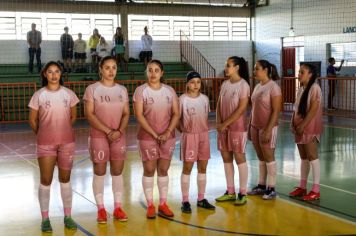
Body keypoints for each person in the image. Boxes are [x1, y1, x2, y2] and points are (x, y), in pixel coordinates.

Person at [28, 61, 79, 233]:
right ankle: (45, 219)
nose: (54, 75)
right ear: (44, 74)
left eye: (57, 71)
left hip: (66, 142)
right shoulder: (39, 95)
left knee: (65, 179)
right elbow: (33, 120)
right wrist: (43, 134)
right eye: (50, 72)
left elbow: (73, 117)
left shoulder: (69, 94)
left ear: (61, 74)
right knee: (46, 180)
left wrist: (63, 131)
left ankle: (68, 216)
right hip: (45, 144)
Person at [84, 56, 130, 223]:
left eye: (114, 67)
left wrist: (119, 131)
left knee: (117, 172)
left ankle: (118, 207)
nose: (111, 71)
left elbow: (126, 113)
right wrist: (108, 131)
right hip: (99, 136)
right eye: (107, 67)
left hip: (118, 136)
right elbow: (89, 114)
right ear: (101, 69)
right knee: (100, 172)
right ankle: (101, 209)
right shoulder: (92, 89)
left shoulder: (122, 90)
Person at [133, 60, 180, 219]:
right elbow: (139, 115)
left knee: (163, 170)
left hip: (168, 137)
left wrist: (167, 132)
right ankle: (150, 205)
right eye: (150, 70)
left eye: (156, 70)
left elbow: (176, 114)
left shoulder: (170, 91)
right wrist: (154, 134)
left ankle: (163, 204)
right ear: (147, 72)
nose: (153, 73)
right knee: (149, 170)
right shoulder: (141, 91)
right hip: (147, 137)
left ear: (162, 73)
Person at [215, 57, 250, 205]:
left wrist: (225, 123)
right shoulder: (224, 84)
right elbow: (218, 104)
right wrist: (218, 122)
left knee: (239, 158)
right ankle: (230, 192)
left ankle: (243, 193)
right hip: (223, 128)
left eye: (228, 65)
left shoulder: (243, 85)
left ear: (236, 68)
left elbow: (241, 109)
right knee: (226, 158)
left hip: (237, 128)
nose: (225, 68)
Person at [178, 71, 215, 213]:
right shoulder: (182, 99)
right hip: (189, 136)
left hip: (203, 135)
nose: (196, 85)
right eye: (192, 82)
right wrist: (183, 131)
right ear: (187, 83)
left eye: (198, 82)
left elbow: (205, 116)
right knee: (187, 168)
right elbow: (176, 119)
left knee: (203, 167)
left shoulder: (205, 99)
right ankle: (185, 200)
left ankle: (201, 199)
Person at [247, 60, 282, 200]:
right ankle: (261, 186)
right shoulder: (256, 87)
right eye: (254, 69)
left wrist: (268, 130)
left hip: (268, 127)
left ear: (266, 70)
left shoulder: (273, 87)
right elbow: (253, 108)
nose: (254, 71)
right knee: (261, 157)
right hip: (255, 127)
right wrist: (250, 126)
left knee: (269, 157)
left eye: (257, 69)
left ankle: (271, 188)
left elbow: (276, 110)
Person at [289, 63, 323, 201]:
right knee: (303, 157)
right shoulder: (301, 89)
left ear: (310, 74)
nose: (299, 74)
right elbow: (296, 108)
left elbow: (314, 109)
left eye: (302, 72)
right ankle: (302, 187)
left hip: (310, 128)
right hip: (299, 128)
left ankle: (316, 189)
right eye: (299, 71)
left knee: (312, 156)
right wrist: (293, 123)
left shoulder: (315, 88)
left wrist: (303, 124)